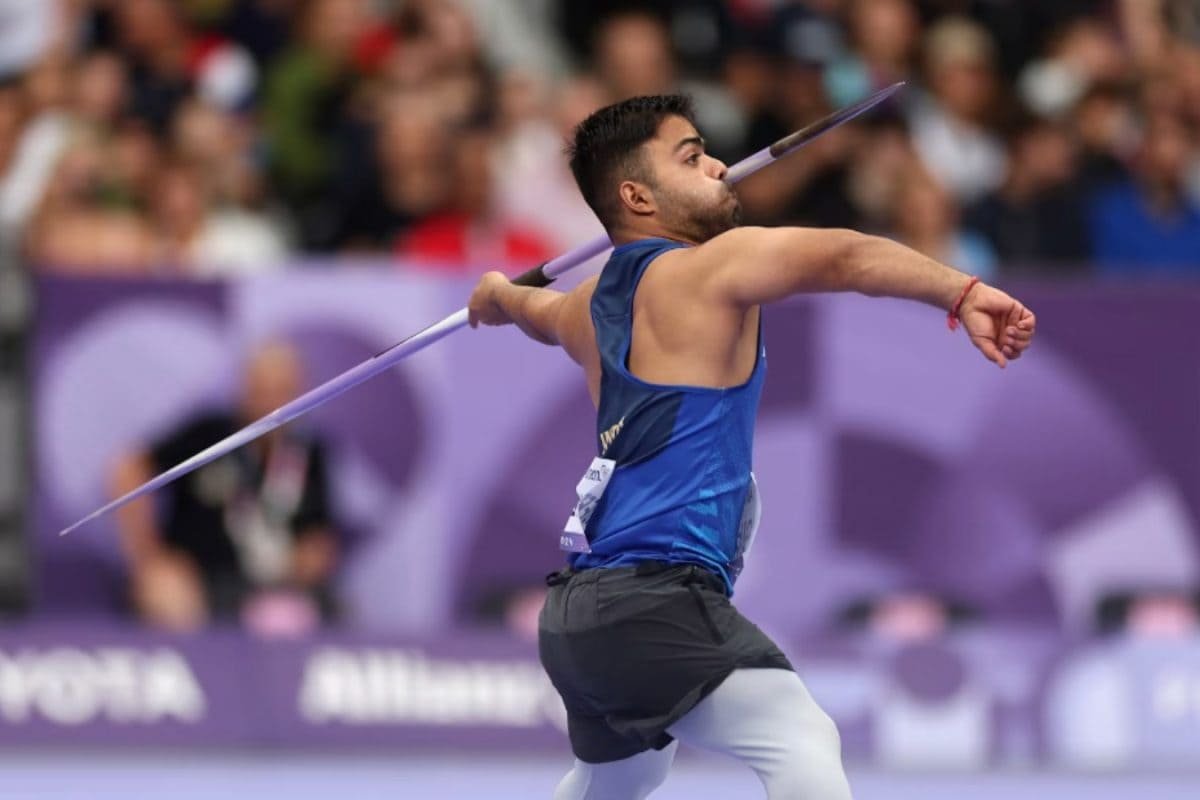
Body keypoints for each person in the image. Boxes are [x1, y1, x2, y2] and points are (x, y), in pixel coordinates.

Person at [466, 95, 1035, 799]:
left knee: (622, 774)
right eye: (692, 157)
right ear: (637, 196)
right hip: (656, 600)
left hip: (579, 616)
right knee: (798, 735)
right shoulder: (712, 267)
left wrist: (496, 294)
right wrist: (962, 291)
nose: (719, 166)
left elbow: (532, 310)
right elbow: (849, 256)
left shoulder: (584, 307)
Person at [111, 341, 338, 634]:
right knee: (165, 593)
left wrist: (307, 560)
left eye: (282, 391)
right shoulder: (210, 436)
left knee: (294, 619)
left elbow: (320, 541)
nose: (272, 404)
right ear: (243, 390)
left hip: (274, 588)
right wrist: (150, 557)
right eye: (261, 391)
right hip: (200, 581)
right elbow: (127, 468)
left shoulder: (310, 453)